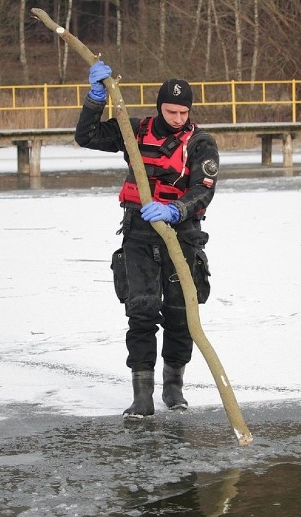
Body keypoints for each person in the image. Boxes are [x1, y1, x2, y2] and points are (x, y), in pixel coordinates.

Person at [74, 61, 219, 418]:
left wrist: (176, 211)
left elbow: (203, 189)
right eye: (171, 111)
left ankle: (174, 388)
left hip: (181, 237)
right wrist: (96, 99)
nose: (177, 117)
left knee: (180, 316)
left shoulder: (201, 143)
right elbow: (87, 136)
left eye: (184, 112)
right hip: (139, 232)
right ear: (159, 108)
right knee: (141, 313)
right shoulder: (133, 129)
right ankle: (143, 396)